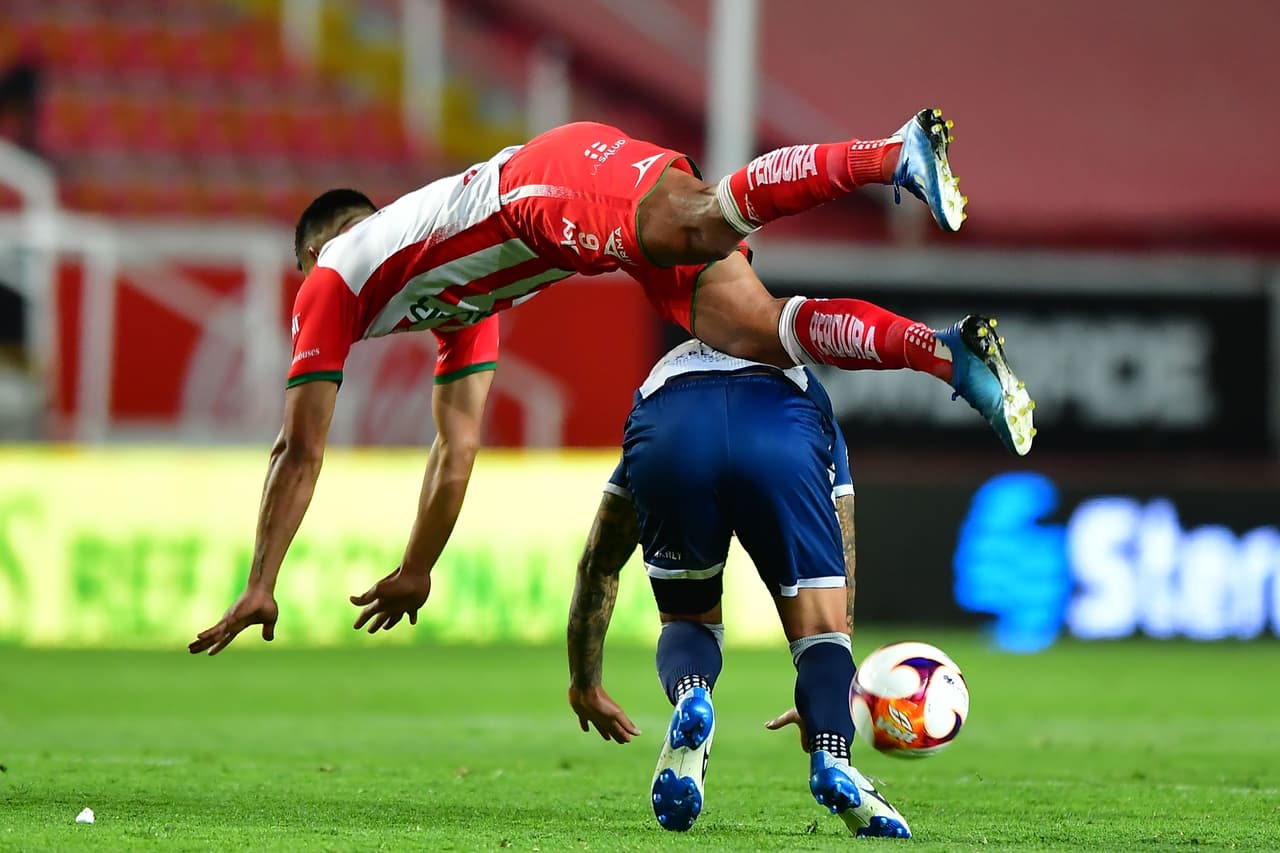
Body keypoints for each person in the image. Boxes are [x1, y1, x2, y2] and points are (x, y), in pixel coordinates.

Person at [189, 110, 1034, 656]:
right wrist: (417, 566)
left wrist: (260, 579)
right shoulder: (452, 299)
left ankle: (891, 151)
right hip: (554, 226)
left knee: (704, 218)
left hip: (543, 185)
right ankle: (947, 353)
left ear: (315, 251)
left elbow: (298, 449)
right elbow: (458, 445)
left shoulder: (331, 277)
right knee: (762, 333)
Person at [565, 338, 910, 837]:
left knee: (687, 618)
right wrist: (827, 695)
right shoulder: (804, 380)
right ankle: (833, 759)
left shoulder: (666, 373)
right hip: (782, 432)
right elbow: (844, 545)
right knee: (821, 635)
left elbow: (597, 564)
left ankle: (692, 693)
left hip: (670, 429)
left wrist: (584, 682)